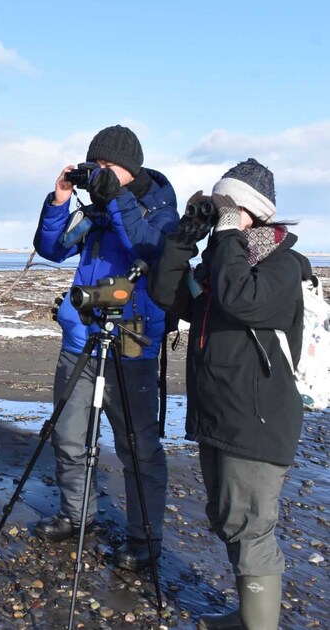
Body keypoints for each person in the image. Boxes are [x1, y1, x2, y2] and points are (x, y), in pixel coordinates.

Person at [148, 159, 303, 630]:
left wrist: (229, 231)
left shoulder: (283, 265)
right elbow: (167, 296)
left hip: (257, 420)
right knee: (228, 518)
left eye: (228, 210)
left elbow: (243, 301)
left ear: (251, 214)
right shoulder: (224, 263)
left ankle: (259, 626)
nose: (221, 221)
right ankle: (246, 615)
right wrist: (182, 238)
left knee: (252, 526)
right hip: (222, 415)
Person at [32, 125, 178, 571]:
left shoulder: (161, 210)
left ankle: (145, 537)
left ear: (129, 170)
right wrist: (59, 199)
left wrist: (115, 197)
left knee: (137, 445)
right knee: (70, 436)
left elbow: (146, 248)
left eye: (106, 167)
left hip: (132, 342)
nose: (98, 174)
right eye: (93, 166)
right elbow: (51, 248)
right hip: (81, 338)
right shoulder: (93, 208)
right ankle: (77, 515)